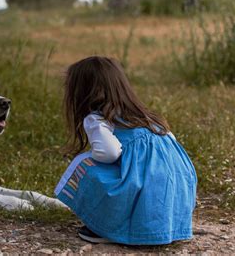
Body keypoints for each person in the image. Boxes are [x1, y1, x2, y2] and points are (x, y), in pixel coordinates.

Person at [54, 56, 197, 245]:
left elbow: (109, 153)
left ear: (82, 92)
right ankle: (163, 226)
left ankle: (107, 227)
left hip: (141, 188)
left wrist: (94, 156)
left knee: (84, 164)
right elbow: (171, 145)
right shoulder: (148, 117)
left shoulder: (97, 119)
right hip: (176, 189)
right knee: (145, 176)